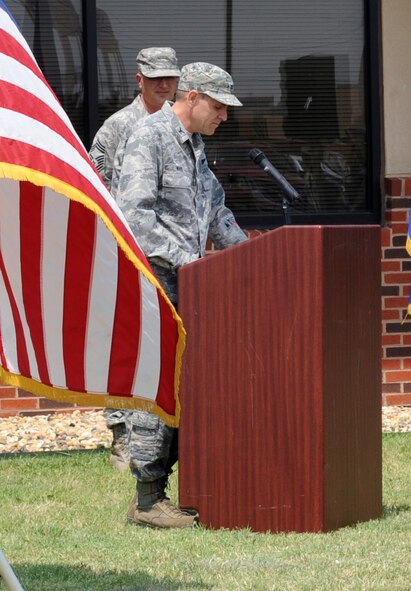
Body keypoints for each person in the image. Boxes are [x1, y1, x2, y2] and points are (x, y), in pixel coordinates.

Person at [114, 62, 248, 528]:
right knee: (159, 388)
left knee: (187, 388)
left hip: (193, 291)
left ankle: (177, 491)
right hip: (156, 284)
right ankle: (147, 500)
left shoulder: (195, 149)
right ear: (191, 97)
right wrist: (187, 259)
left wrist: (253, 258)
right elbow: (134, 217)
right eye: (218, 107)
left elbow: (217, 214)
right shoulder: (147, 138)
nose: (224, 117)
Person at [89, 47, 181, 471]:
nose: (164, 85)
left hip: (169, 255)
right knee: (125, 339)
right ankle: (121, 436)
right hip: (126, 251)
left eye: (170, 78)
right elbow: (98, 190)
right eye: (155, 78)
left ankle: (159, 432)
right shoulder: (117, 128)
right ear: (138, 79)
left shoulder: (181, 127)